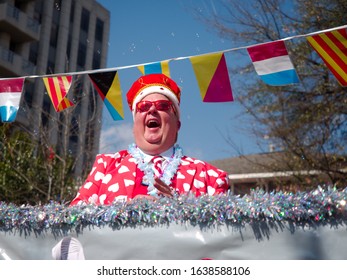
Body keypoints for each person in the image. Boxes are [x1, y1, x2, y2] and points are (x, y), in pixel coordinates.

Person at [70, 73, 229, 206]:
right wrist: (120, 213)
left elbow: (225, 235)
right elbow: (74, 220)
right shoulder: (106, 166)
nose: (152, 109)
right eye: (143, 106)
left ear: (177, 124)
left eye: (163, 106)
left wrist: (180, 208)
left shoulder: (210, 177)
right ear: (134, 126)